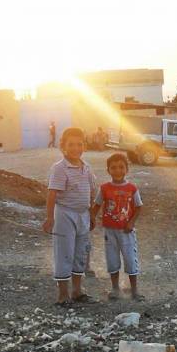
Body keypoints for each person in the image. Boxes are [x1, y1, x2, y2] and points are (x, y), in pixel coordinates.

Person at [42, 127, 97, 307]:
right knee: (64, 253)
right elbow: (52, 194)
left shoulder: (87, 168)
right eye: (71, 145)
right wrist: (50, 218)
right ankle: (62, 295)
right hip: (65, 214)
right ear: (63, 147)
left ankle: (77, 291)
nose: (75, 148)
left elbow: (91, 191)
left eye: (79, 144)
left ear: (85, 146)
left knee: (80, 253)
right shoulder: (59, 168)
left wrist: (92, 215)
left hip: (83, 215)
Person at [92, 152, 144, 301]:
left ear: (127, 169)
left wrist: (131, 222)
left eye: (121, 167)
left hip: (126, 231)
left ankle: (134, 290)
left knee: (130, 258)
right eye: (113, 167)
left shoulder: (132, 188)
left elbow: (139, 207)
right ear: (108, 170)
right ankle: (115, 289)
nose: (117, 170)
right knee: (112, 259)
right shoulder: (104, 188)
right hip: (110, 231)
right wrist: (90, 218)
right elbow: (96, 205)